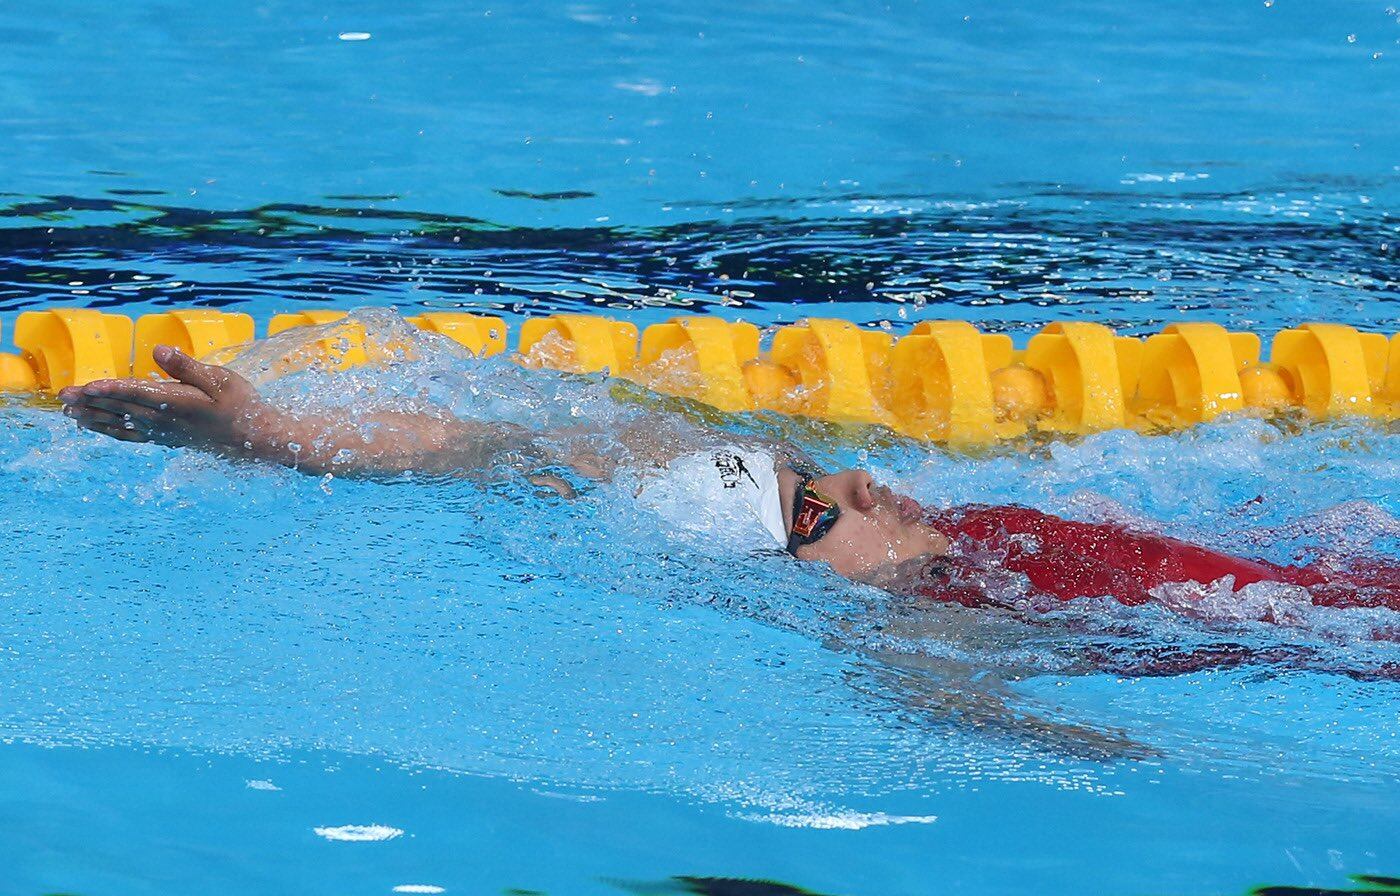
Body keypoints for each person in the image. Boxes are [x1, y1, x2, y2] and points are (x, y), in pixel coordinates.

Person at [58, 343, 1399, 616]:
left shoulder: (967, 538)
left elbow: (505, 446)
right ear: (790, 571)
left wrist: (281, 428)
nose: (862, 481)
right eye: (814, 509)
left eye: (817, 471)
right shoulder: (945, 610)